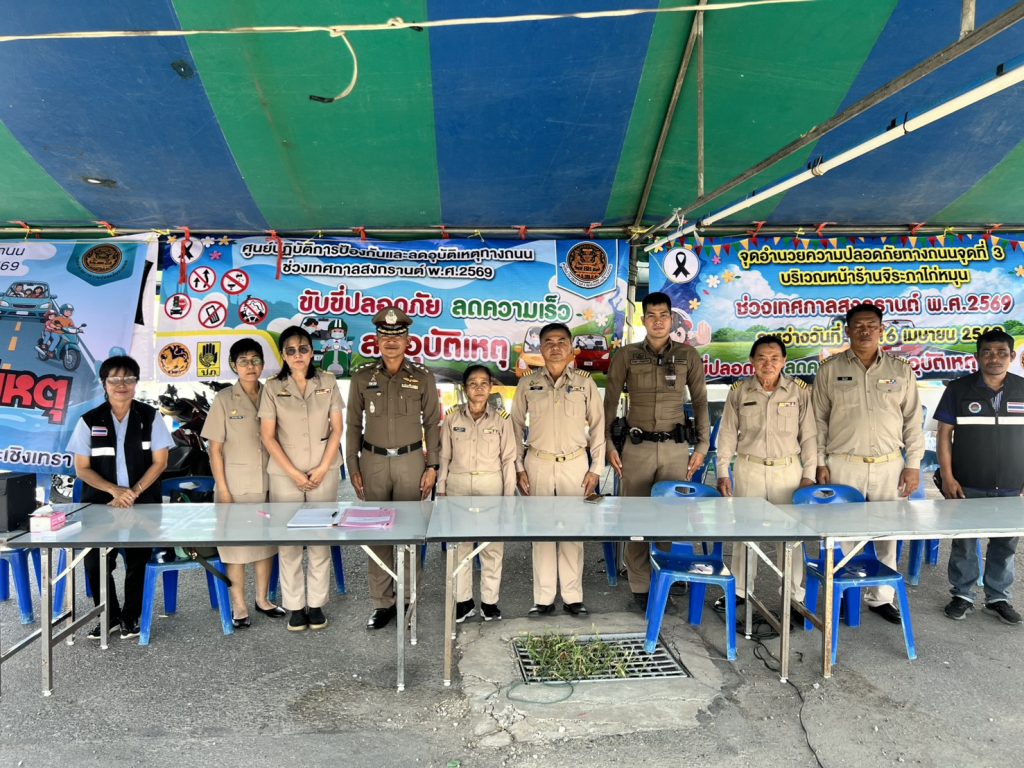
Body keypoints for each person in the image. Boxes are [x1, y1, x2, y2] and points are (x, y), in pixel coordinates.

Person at [812, 303, 923, 624]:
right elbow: (817, 421)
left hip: (890, 466)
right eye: (858, 326)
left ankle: (880, 597)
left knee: (887, 534)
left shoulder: (900, 370)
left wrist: (913, 464)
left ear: (881, 330)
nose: (865, 331)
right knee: (842, 534)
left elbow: (912, 421)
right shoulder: (829, 370)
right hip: (843, 464)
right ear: (847, 330)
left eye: (871, 325)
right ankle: (843, 595)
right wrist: (819, 462)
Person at [602, 291, 710, 610]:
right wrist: (607, 443)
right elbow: (610, 401)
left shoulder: (688, 355)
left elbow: (701, 400)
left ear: (672, 319)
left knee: (669, 516)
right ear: (643, 319)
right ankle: (640, 586)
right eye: (652, 315)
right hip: (637, 448)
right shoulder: (626, 355)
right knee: (635, 515)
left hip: (676, 448)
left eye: (664, 315)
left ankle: (664, 577)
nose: (658, 321)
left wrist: (702, 445)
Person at [66, 355, 173, 640]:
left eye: (128, 379)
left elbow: (160, 462)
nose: (121, 384)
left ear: (136, 383)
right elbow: (82, 469)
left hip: (143, 503)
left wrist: (133, 493)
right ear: (104, 383)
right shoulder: (89, 421)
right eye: (114, 379)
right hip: (102, 506)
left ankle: (131, 616)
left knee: (137, 561)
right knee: (95, 562)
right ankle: (109, 615)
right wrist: (115, 491)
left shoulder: (150, 417)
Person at [347, 307, 441, 630]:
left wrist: (433, 466)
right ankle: (382, 603)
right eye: (385, 336)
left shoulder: (422, 377)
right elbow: (352, 425)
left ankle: (409, 600)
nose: (391, 341)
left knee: (411, 533)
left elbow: (432, 424)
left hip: (411, 462)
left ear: (407, 340)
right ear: (376, 339)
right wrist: (352, 463)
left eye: (398, 336)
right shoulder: (362, 377)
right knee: (377, 534)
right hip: (372, 462)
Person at [715, 335, 815, 612]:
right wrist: (722, 471)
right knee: (744, 532)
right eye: (762, 358)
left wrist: (808, 475)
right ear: (752, 361)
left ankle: (793, 596)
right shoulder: (739, 391)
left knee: (792, 536)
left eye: (774, 358)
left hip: (788, 471)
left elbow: (809, 436)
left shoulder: (799, 391)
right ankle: (739, 590)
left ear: (783, 362)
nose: (768, 364)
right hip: (750, 468)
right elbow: (727, 434)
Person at [511, 322, 605, 616]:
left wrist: (596, 468)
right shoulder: (527, 383)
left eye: (561, 341)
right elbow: (515, 427)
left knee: (572, 530)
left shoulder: (585, 383)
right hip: (536, 463)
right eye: (548, 342)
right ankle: (544, 598)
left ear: (571, 347)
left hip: (575, 464)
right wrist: (518, 467)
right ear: (540, 348)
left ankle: (573, 597)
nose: (555, 347)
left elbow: (599, 426)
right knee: (541, 532)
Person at [935, 328, 1023, 625]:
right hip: (967, 482)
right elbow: (944, 436)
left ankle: (998, 598)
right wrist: (948, 477)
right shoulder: (958, 389)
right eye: (987, 352)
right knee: (964, 542)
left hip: (1012, 484)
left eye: (1001, 353)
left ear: (1012, 356)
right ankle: (963, 594)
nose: (994, 358)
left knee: (1005, 544)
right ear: (977, 357)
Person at [260, 326, 344, 632]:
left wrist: (322, 468)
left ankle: (316, 604)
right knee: (289, 541)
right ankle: (295, 606)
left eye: (304, 349)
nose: (298, 355)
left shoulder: (328, 381)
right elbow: (268, 436)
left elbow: (337, 428)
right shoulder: (273, 387)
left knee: (320, 536)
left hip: (324, 469)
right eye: (291, 350)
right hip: (286, 473)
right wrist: (294, 473)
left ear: (312, 352)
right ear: (283, 355)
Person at [202, 338, 285, 629]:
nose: (250, 366)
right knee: (235, 550)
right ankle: (239, 604)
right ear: (234, 366)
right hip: (234, 487)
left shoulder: (271, 394)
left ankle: (263, 599)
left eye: (255, 360)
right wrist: (223, 490)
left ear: (263, 364)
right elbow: (214, 450)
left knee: (265, 545)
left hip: (269, 482)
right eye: (244, 361)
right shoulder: (224, 399)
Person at [437, 365, 516, 622]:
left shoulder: (502, 420)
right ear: (465, 388)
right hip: (458, 487)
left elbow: (508, 460)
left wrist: (508, 498)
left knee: (492, 546)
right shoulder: (452, 418)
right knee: (461, 545)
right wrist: (441, 490)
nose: (479, 388)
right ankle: (463, 601)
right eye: (473, 383)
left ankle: (490, 602)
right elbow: (444, 457)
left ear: (491, 387)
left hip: (491, 487)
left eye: (484, 383)